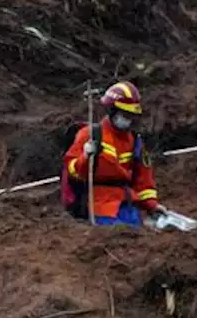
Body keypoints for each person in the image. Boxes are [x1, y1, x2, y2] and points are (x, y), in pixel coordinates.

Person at [61, 81, 165, 227]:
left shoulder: (135, 141)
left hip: (128, 205)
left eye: (131, 115)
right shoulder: (90, 135)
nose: (128, 119)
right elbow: (73, 171)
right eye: (125, 114)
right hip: (101, 206)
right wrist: (85, 157)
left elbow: (144, 179)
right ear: (112, 111)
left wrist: (152, 205)